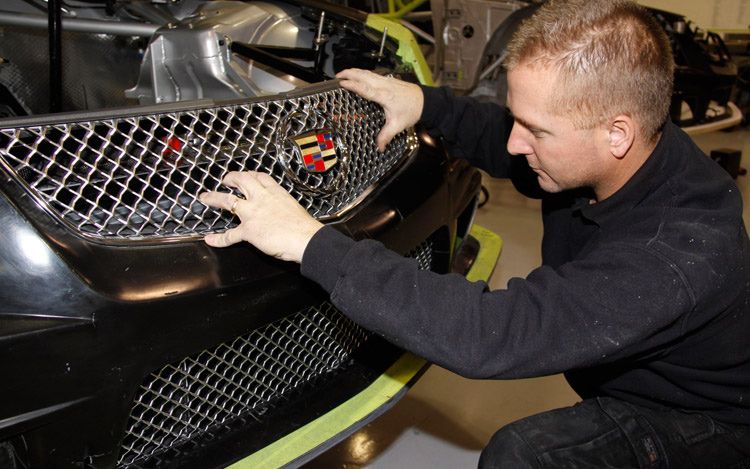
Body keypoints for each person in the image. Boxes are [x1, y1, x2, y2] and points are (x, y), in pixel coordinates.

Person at [199, 0, 750, 466]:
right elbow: (495, 136)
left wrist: (309, 241)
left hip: (704, 419)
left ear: (616, 135)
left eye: (536, 130)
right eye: (518, 118)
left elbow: (492, 333)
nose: (514, 143)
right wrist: (423, 103)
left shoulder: (678, 250)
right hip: (632, 376)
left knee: (524, 455)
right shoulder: (626, 147)